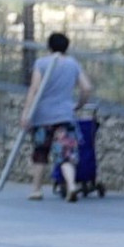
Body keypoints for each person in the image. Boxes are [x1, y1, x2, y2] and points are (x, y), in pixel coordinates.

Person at [23, 31, 86, 194]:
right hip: (65, 115)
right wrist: (79, 104)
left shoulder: (41, 63)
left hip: (42, 117)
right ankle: (71, 185)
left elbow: (34, 89)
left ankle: (36, 190)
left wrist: (26, 114)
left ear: (49, 46)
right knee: (66, 152)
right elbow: (86, 87)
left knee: (41, 152)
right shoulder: (73, 64)